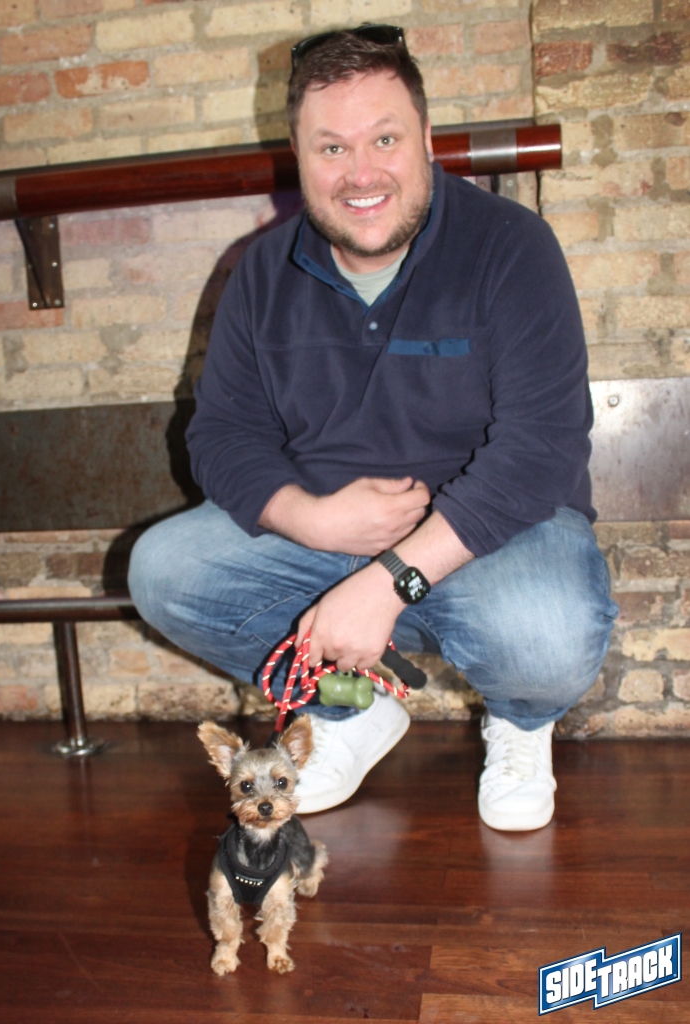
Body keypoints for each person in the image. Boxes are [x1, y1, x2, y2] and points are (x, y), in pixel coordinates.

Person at [129, 25, 617, 831]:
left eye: (383, 139)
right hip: (326, 541)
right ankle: (350, 707)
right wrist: (309, 518)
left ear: (424, 138)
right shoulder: (258, 272)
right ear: (298, 156)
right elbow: (220, 436)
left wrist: (389, 581)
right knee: (162, 570)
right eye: (331, 148)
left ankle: (520, 723)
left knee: (549, 633)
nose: (360, 173)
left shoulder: (511, 246)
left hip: (495, 541)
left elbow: (542, 446)